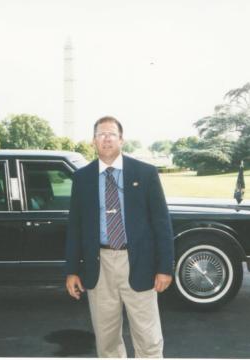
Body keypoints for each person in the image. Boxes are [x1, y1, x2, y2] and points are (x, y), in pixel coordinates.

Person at [65, 116, 174, 358]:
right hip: (99, 265)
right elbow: (75, 227)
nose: (106, 138)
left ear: (121, 139)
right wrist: (72, 270)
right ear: (93, 141)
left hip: (139, 264)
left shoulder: (145, 173)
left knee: (148, 338)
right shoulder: (82, 178)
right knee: (107, 340)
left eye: (111, 134)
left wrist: (165, 267)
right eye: (100, 134)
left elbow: (161, 224)